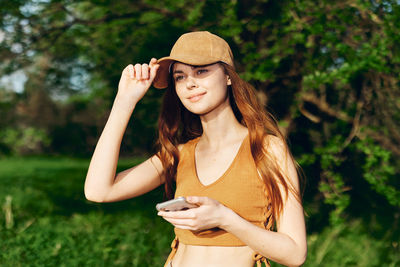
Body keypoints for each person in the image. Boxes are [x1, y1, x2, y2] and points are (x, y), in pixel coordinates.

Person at [84, 31, 307, 267]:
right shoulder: (179, 154)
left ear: (228, 77)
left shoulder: (266, 149)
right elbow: (98, 191)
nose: (190, 83)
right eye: (180, 77)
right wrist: (124, 101)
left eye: (201, 71)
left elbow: (295, 254)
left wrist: (225, 218)